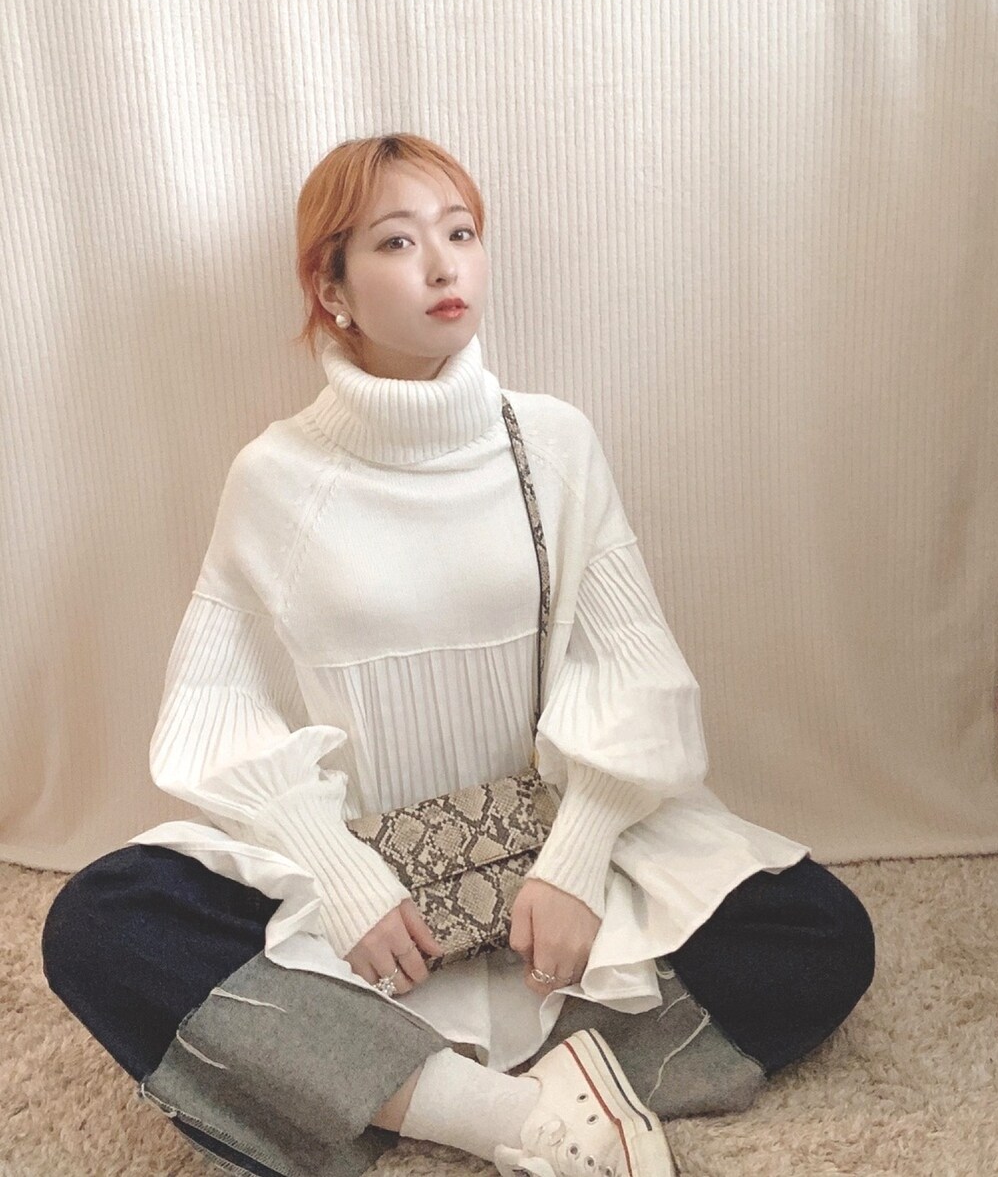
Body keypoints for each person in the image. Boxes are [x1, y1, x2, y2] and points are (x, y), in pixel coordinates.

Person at [42, 133, 875, 1177]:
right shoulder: (276, 476)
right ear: (332, 288)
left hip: (541, 864)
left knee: (818, 931)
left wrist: (577, 859)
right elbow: (214, 701)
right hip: (370, 895)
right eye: (397, 242)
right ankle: (508, 1116)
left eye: (461, 233)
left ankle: (383, 1086)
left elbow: (635, 663)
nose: (444, 265)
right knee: (101, 922)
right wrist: (339, 871)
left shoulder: (553, 442)